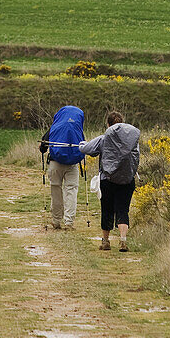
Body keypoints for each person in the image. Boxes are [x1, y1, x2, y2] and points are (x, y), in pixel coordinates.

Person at [80, 111, 140, 252]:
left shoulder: (104, 138)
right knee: (123, 210)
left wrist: (81, 144)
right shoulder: (132, 141)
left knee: (106, 210)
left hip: (108, 180)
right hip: (127, 180)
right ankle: (123, 241)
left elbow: (88, 149)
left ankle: (106, 241)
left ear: (108, 124)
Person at [39, 104, 85, 230]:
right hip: (72, 164)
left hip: (55, 163)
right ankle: (69, 222)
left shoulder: (55, 127)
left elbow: (43, 147)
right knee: (71, 191)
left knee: (56, 190)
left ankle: (56, 220)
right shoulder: (77, 128)